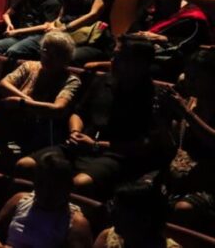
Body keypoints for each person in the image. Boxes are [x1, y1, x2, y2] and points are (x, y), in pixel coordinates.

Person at [23, 36, 158, 194]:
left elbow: (144, 145)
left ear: (139, 64)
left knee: (79, 184)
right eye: (113, 55)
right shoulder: (103, 81)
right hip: (79, 145)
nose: (113, 61)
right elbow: (78, 113)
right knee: (25, 165)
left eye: (120, 57)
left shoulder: (151, 97)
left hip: (114, 155)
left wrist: (96, 144)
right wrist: (75, 132)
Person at [0, 32, 81, 165]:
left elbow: (57, 108)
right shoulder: (30, 66)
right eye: (45, 51)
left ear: (65, 59)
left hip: (42, 137)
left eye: (55, 54)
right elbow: (3, 84)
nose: (47, 58)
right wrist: (27, 100)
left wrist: (22, 103)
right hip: (10, 129)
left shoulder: (70, 80)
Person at [0, 151, 93, 248]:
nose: (46, 193)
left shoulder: (75, 224)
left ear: (68, 188)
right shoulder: (20, 200)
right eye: (41, 185)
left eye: (53, 188)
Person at [162, 50, 215, 232]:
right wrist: (163, 119)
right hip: (182, 172)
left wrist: (185, 113)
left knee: (183, 209)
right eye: (188, 74)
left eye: (195, 77)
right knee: (136, 193)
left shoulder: (188, 107)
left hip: (210, 180)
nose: (187, 80)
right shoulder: (190, 100)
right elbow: (176, 143)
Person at [94, 182, 181, 248]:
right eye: (113, 207)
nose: (112, 215)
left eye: (120, 211)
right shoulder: (108, 237)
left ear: (145, 219)